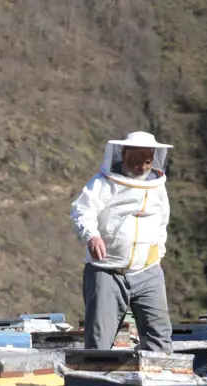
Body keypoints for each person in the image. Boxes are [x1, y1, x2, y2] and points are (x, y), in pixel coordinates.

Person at [70, 131, 174, 352]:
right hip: (107, 270)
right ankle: (97, 375)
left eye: (148, 161)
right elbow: (82, 210)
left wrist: (158, 251)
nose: (143, 166)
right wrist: (92, 236)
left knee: (159, 338)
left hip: (148, 272)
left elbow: (162, 221)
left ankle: (159, 374)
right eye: (137, 160)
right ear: (124, 154)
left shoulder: (157, 186)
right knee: (99, 342)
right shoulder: (103, 182)